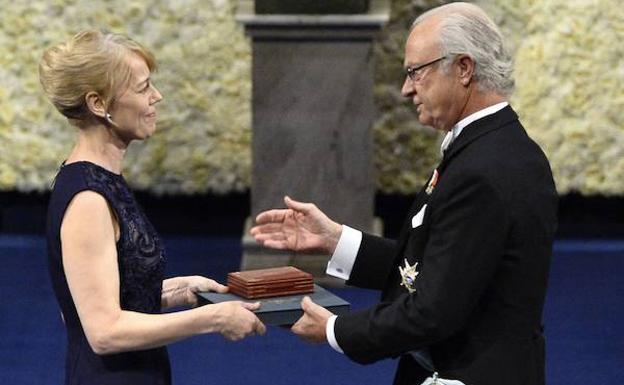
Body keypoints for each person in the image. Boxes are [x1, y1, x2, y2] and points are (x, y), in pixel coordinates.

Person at [251, 3, 558, 385]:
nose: (406, 88)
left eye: (416, 72)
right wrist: (336, 241)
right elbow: (440, 268)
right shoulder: (488, 146)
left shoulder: (485, 167)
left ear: (463, 69)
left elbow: (433, 311)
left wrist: (335, 330)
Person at [40, 30, 266, 385]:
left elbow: (105, 294)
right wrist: (214, 319)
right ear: (99, 104)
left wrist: (175, 290)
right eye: (144, 88)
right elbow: (103, 331)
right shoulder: (88, 200)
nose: (156, 97)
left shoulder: (102, 179)